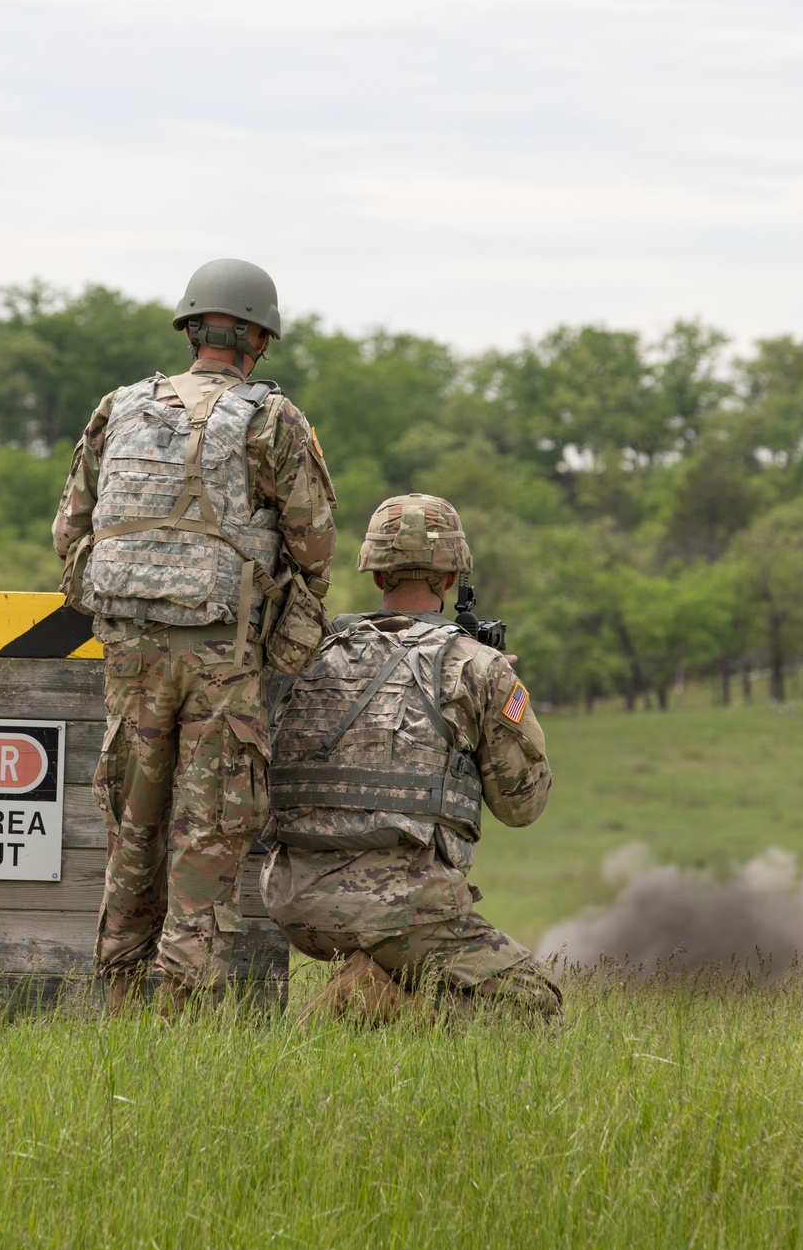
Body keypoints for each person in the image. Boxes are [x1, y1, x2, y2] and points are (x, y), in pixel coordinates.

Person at [52, 258, 337, 1015]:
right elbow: (312, 545)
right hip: (222, 656)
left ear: (191, 328)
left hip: (130, 650)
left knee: (133, 825)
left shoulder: (119, 407)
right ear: (256, 338)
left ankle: (117, 996)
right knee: (208, 831)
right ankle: (180, 1014)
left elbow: (69, 531)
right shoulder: (273, 418)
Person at [260, 494, 561, 1025]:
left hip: (292, 899)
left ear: (376, 575)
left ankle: (367, 989)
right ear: (451, 580)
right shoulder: (476, 666)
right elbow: (523, 805)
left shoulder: (307, 654)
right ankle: (362, 1002)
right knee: (535, 1010)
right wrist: (502, 693)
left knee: (404, 961)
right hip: (400, 904)